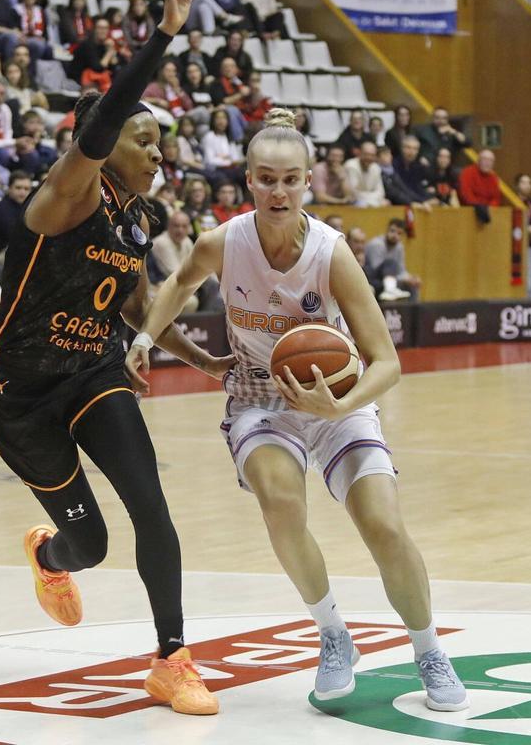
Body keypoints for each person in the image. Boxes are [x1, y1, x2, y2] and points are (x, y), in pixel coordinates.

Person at [126, 108, 469, 714]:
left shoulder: (331, 254)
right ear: (249, 182)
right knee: (281, 502)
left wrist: (338, 400)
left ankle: (427, 648)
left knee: (384, 527)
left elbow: (385, 361)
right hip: (260, 400)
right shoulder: (223, 242)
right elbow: (176, 285)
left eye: (289, 180)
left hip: (339, 401)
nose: (277, 190)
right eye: (265, 178)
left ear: (308, 182)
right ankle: (335, 635)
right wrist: (146, 341)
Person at [0, 0, 228, 717]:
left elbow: (135, 305)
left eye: (162, 143)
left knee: (153, 509)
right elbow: (102, 120)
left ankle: (171, 659)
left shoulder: (140, 219)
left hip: (93, 375)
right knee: (89, 548)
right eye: (143, 139)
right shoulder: (67, 192)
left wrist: (197, 356)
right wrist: (164, 35)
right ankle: (48, 555)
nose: (158, 154)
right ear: (103, 142)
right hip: (19, 395)